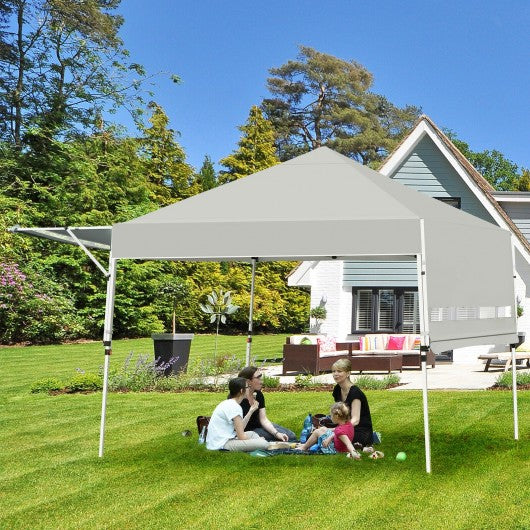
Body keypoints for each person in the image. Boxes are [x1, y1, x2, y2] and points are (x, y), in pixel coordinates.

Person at [311, 358, 374, 448]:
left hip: (360, 432)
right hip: (343, 428)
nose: (335, 374)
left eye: (339, 371)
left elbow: (355, 420)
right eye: (334, 371)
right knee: (317, 432)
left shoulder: (355, 392)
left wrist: (335, 430)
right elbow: (339, 414)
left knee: (322, 434)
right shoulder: (337, 389)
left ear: (348, 373)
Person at [206, 377, 271, 452]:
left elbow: (240, 428)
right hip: (222, 444)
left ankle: (256, 444)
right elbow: (241, 436)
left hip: (224, 439)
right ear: (241, 391)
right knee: (264, 444)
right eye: (247, 387)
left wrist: (251, 411)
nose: (249, 389)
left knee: (252, 434)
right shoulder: (235, 407)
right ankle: (258, 444)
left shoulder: (230, 403)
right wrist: (257, 441)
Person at [238, 366, 297, 442]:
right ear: (248, 381)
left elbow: (263, 420)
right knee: (287, 438)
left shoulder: (258, 394)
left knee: (291, 435)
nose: (261, 381)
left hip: (259, 425)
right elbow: (237, 427)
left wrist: (276, 433)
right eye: (258, 378)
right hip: (247, 430)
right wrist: (251, 410)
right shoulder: (238, 397)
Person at [296, 402, 360, 459]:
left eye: (331, 415)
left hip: (334, 450)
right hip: (338, 445)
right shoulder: (348, 424)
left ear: (336, 417)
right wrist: (328, 436)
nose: (330, 417)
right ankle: (306, 445)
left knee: (317, 432)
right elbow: (337, 431)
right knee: (323, 429)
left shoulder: (340, 431)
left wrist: (354, 453)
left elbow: (348, 443)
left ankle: (303, 448)